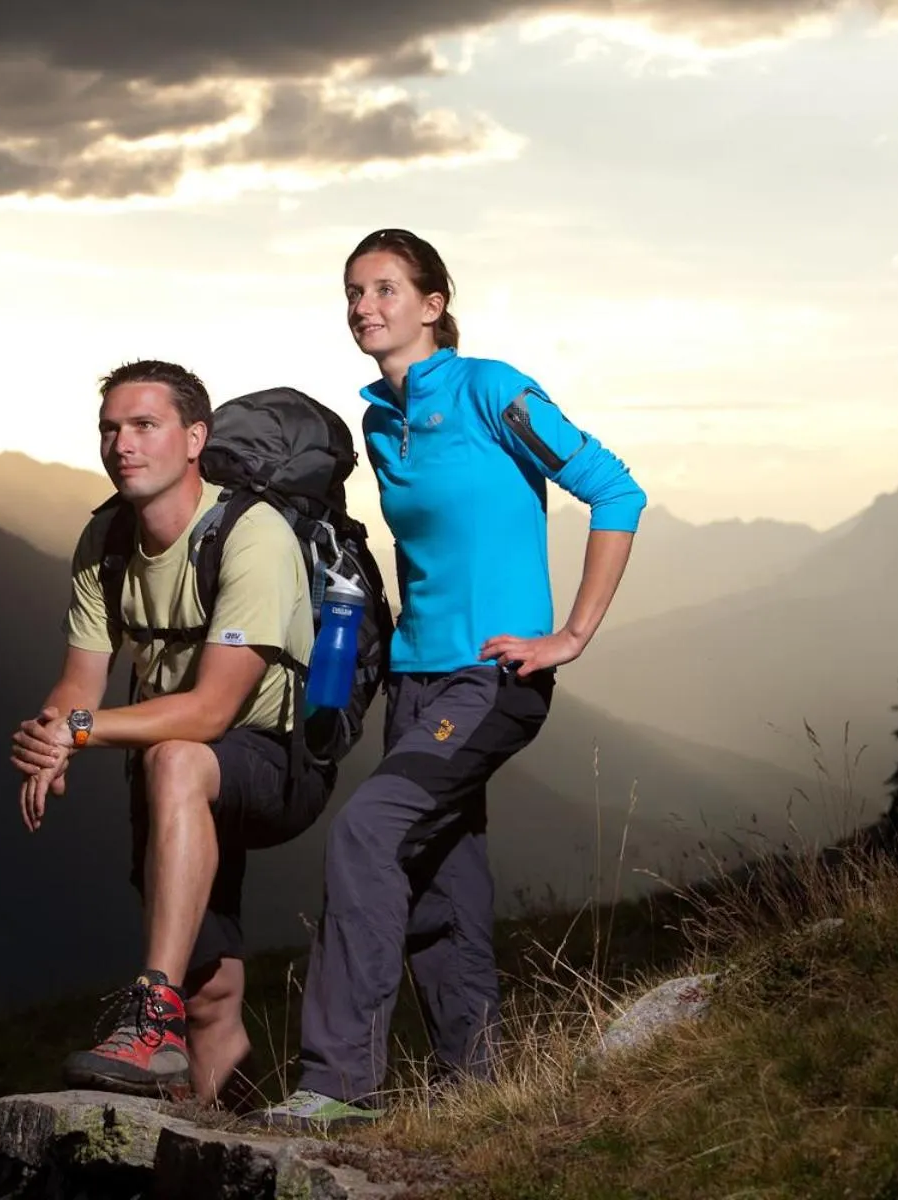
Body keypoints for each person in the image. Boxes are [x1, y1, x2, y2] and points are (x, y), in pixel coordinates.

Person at [250, 229, 647, 1131]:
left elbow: (617, 491)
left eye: (385, 289)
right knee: (440, 881)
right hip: (417, 684)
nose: (364, 307)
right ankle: (477, 1091)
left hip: (492, 677)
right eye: (354, 292)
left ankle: (338, 1086)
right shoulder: (378, 424)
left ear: (433, 305)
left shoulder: (492, 390)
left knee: (368, 833)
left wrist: (571, 634)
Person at [9, 359, 335, 1107]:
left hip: (273, 761)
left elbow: (212, 711)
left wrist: (80, 731)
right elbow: (80, 682)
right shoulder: (106, 540)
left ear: (194, 439)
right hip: (168, 769)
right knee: (210, 989)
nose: (121, 444)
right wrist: (51, 734)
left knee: (178, 756)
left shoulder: (252, 536)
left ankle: (150, 1018)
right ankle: (225, 1123)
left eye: (144, 426)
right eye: (110, 429)